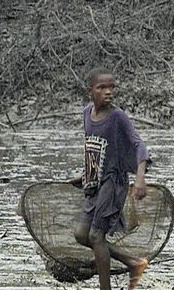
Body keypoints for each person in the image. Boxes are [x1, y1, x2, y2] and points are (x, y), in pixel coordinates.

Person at [67, 68, 152, 290]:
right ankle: (133, 262)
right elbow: (93, 148)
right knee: (81, 234)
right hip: (95, 183)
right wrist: (85, 174)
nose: (108, 92)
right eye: (101, 88)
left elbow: (138, 144)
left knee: (96, 236)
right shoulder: (87, 113)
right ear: (90, 91)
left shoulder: (117, 117)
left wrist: (140, 178)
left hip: (114, 183)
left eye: (111, 87)